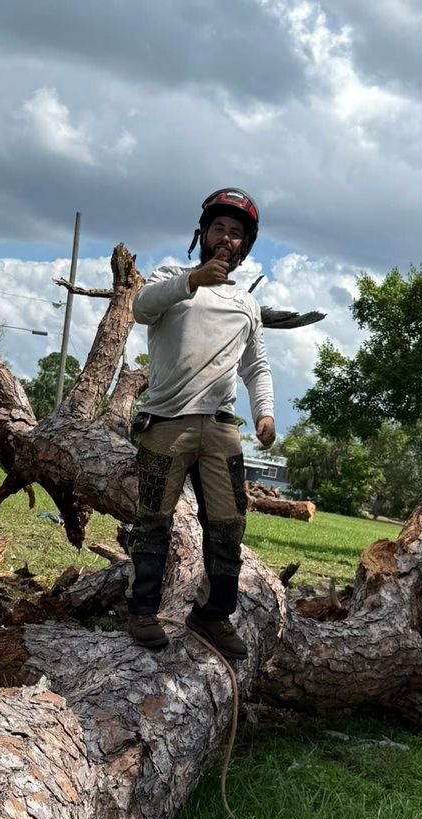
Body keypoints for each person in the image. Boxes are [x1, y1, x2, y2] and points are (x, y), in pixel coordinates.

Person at [126, 187, 275, 661]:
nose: (226, 238)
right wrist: (192, 279)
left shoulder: (246, 304)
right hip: (166, 421)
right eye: (219, 229)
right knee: (153, 520)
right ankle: (142, 611)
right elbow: (140, 309)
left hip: (221, 426)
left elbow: (257, 366)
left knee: (229, 524)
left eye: (236, 233)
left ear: (245, 245)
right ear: (203, 234)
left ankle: (213, 614)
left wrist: (265, 411)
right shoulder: (172, 276)